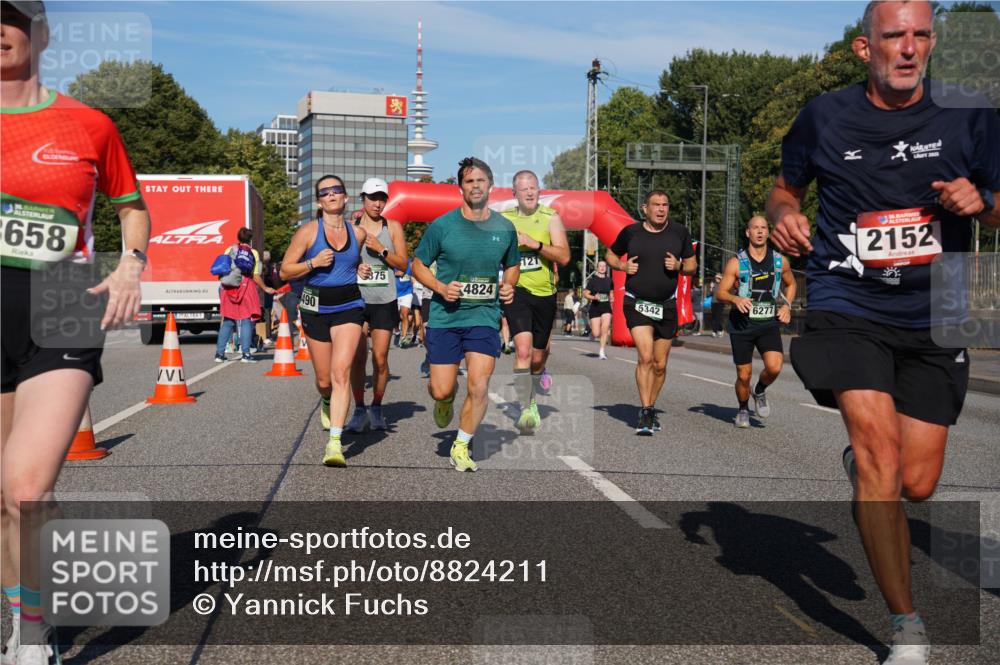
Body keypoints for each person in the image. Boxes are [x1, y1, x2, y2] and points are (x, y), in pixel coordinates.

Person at [766, 2, 999, 662]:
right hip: (849, 300)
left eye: (921, 35)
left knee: (916, 483)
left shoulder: (971, 116)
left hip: (937, 309)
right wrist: (783, 216)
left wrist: (982, 202)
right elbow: (784, 189)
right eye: (894, 36)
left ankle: (870, 473)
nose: (909, 48)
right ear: (864, 48)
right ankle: (906, 626)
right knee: (880, 458)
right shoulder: (825, 115)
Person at [1, 3, 151, 662]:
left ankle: (36, 633)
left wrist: (130, 264)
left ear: (41, 34)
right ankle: (21, 608)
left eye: (10, 15)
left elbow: (131, 206)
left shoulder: (89, 124)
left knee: (26, 490)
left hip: (62, 300)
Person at [411, 158, 519, 472]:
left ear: (490, 185)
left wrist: (509, 286)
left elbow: (512, 265)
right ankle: (445, 400)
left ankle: (461, 445)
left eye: (480, 180)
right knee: (441, 388)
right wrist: (440, 288)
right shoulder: (443, 226)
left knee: (480, 385)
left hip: (484, 316)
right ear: (461, 188)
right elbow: (417, 265)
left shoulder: (504, 228)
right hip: (446, 317)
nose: (475, 186)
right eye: (469, 181)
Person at [280, 175, 372, 467]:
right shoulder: (308, 232)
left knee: (341, 371)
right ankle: (327, 399)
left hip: (349, 305)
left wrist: (362, 268)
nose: (331, 195)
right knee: (324, 380)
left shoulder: (358, 234)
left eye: (336, 190)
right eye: (325, 192)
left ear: (345, 197)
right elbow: (284, 271)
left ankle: (335, 443)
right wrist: (313, 263)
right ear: (319, 201)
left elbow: (353, 262)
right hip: (316, 307)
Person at [605, 190, 696, 435]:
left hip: (667, 304)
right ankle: (645, 411)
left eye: (665, 205)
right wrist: (622, 265)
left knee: (660, 365)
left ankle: (650, 406)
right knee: (645, 358)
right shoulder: (631, 232)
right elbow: (610, 254)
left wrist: (679, 266)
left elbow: (692, 265)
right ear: (645, 208)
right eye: (656, 205)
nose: (661, 209)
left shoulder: (679, 232)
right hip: (637, 302)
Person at [499, 171, 570, 433]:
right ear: (514, 193)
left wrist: (534, 244)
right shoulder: (504, 220)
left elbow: (564, 257)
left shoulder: (551, 218)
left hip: (544, 294)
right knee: (523, 351)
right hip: (517, 291)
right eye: (524, 188)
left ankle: (539, 373)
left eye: (533, 188)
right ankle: (527, 407)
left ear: (539, 191)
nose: (529, 192)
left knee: (537, 359)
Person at [714, 216, 796, 428]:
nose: (759, 232)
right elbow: (720, 292)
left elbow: (791, 284)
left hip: (768, 322)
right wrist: (735, 299)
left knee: (775, 367)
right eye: (755, 228)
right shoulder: (736, 262)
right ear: (747, 232)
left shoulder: (780, 261)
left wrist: (787, 306)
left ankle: (759, 390)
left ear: (768, 233)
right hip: (742, 324)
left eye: (763, 228)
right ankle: (743, 408)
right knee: (744, 375)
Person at [346, 178, 407, 433]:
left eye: (382, 198)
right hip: (357, 299)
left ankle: (377, 406)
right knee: (358, 357)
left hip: (384, 299)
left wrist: (382, 250)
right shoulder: (351, 228)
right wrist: (356, 267)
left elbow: (403, 264)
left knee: (380, 358)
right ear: (363, 199)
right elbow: (341, 262)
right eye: (372, 198)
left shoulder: (393, 227)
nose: (377, 203)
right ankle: (359, 408)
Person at [214, 228, 273, 362]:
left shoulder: (229, 249)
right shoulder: (253, 253)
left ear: (238, 238)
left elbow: (222, 268)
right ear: (250, 240)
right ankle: (246, 354)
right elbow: (255, 275)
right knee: (246, 320)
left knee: (228, 320)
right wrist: (265, 288)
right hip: (245, 287)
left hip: (228, 287)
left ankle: (219, 354)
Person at [583, 260, 613, 359]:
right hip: (595, 307)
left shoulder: (609, 280)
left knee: (605, 328)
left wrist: (612, 298)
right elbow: (585, 294)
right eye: (600, 266)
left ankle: (602, 351)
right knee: (596, 333)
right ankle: (592, 333)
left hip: (606, 307)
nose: (602, 268)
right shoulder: (593, 281)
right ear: (597, 268)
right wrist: (594, 297)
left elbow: (611, 292)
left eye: (604, 266)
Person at [710, 272, 726, 337]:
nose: (717, 279)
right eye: (716, 278)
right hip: (713, 302)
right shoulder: (714, 284)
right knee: (714, 317)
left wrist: (721, 278)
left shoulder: (723, 285)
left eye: (718, 278)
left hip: (720, 302)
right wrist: (711, 288)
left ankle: (714, 331)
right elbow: (711, 294)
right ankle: (720, 329)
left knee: (717, 317)